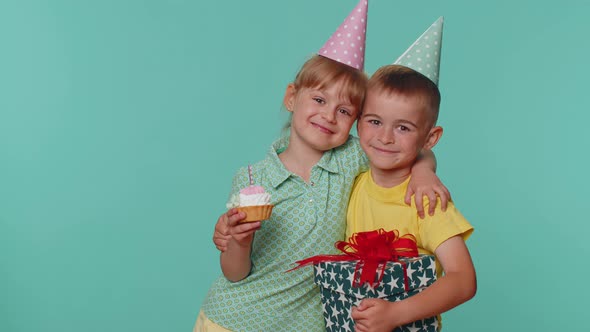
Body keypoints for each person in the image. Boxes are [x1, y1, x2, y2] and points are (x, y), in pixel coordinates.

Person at [196, 3, 449, 331]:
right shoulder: (251, 179)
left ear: (356, 123)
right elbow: (234, 272)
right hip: (234, 320)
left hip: (309, 324)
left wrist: (424, 171)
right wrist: (239, 243)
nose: (329, 115)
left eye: (344, 111)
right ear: (291, 98)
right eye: (319, 100)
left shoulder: (353, 157)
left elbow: (409, 152)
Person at [349, 18, 476, 332]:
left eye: (403, 127)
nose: (386, 137)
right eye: (375, 121)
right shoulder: (352, 180)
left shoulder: (426, 200)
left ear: (430, 138)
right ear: (358, 123)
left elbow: (463, 280)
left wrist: (396, 314)